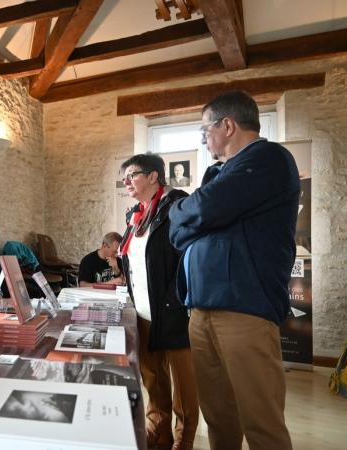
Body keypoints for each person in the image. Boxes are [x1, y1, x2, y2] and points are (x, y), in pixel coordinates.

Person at [169, 90, 298, 450]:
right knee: (219, 417)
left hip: (244, 308)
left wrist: (189, 212)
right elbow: (180, 232)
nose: (203, 138)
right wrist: (192, 214)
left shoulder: (269, 158)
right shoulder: (216, 172)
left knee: (261, 422)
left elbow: (202, 210)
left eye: (205, 130)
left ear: (228, 125)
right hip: (201, 310)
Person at [119, 154, 198, 450]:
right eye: (125, 177)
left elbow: (187, 260)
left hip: (174, 311)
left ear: (154, 176)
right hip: (142, 311)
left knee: (184, 384)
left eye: (133, 175)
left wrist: (177, 300)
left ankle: (183, 439)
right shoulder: (135, 215)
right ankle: (158, 431)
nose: (127, 182)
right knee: (153, 378)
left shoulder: (176, 206)